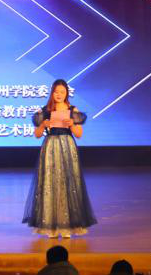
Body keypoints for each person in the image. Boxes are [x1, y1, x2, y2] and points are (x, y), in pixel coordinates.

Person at [23, 78, 97, 237]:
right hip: (50, 147)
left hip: (67, 147)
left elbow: (79, 134)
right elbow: (37, 135)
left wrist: (72, 124)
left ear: (66, 94)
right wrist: (43, 125)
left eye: (62, 92)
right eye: (56, 92)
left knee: (67, 184)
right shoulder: (45, 110)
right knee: (50, 184)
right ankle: (51, 227)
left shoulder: (72, 109)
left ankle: (67, 226)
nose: (59, 94)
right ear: (52, 93)